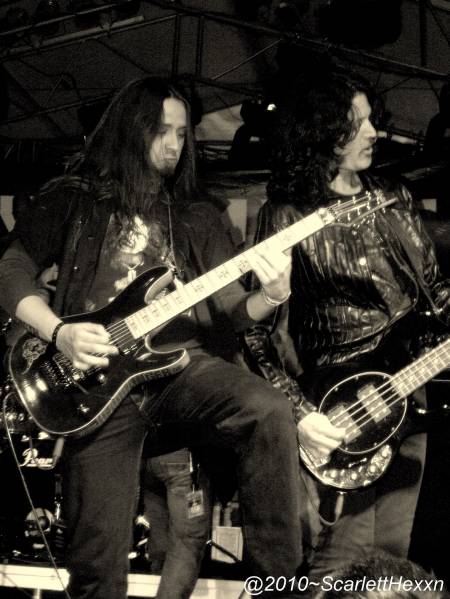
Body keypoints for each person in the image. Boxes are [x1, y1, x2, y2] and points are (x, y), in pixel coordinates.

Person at [0, 76, 307, 599]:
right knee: (96, 565)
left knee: (268, 409)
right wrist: (59, 331)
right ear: (130, 129)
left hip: (180, 369)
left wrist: (273, 294)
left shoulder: (197, 214)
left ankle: (278, 586)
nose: (173, 145)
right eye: (162, 131)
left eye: (183, 134)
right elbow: (10, 269)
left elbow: (232, 311)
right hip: (95, 383)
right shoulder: (75, 199)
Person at [247, 70, 450, 580]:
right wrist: (299, 414)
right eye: (355, 123)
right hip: (337, 409)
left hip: (410, 389)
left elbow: (436, 294)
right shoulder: (286, 214)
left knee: (392, 563)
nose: (373, 132)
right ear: (321, 132)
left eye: (371, 120)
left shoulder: (394, 196)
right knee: (338, 564)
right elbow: (255, 331)